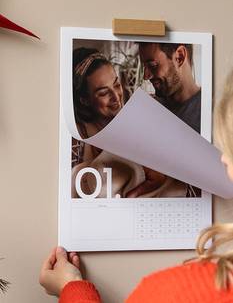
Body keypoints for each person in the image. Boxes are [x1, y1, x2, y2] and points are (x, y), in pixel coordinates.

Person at [40, 69, 233, 302]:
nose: (223, 158)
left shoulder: (177, 292)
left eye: (228, 146)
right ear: (85, 100)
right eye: (103, 91)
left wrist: (72, 288)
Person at [71, 47, 172, 199]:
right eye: (104, 93)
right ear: (84, 100)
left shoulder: (140, 117)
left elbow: (161, 176)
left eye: (117, 84)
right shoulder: (77, 141)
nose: (116, 96)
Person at [139, 42, 201, 133]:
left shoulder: (213, 115)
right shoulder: (149, 108)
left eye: (152, 65)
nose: (146, 76)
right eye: (144, 67)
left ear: (179, 57)